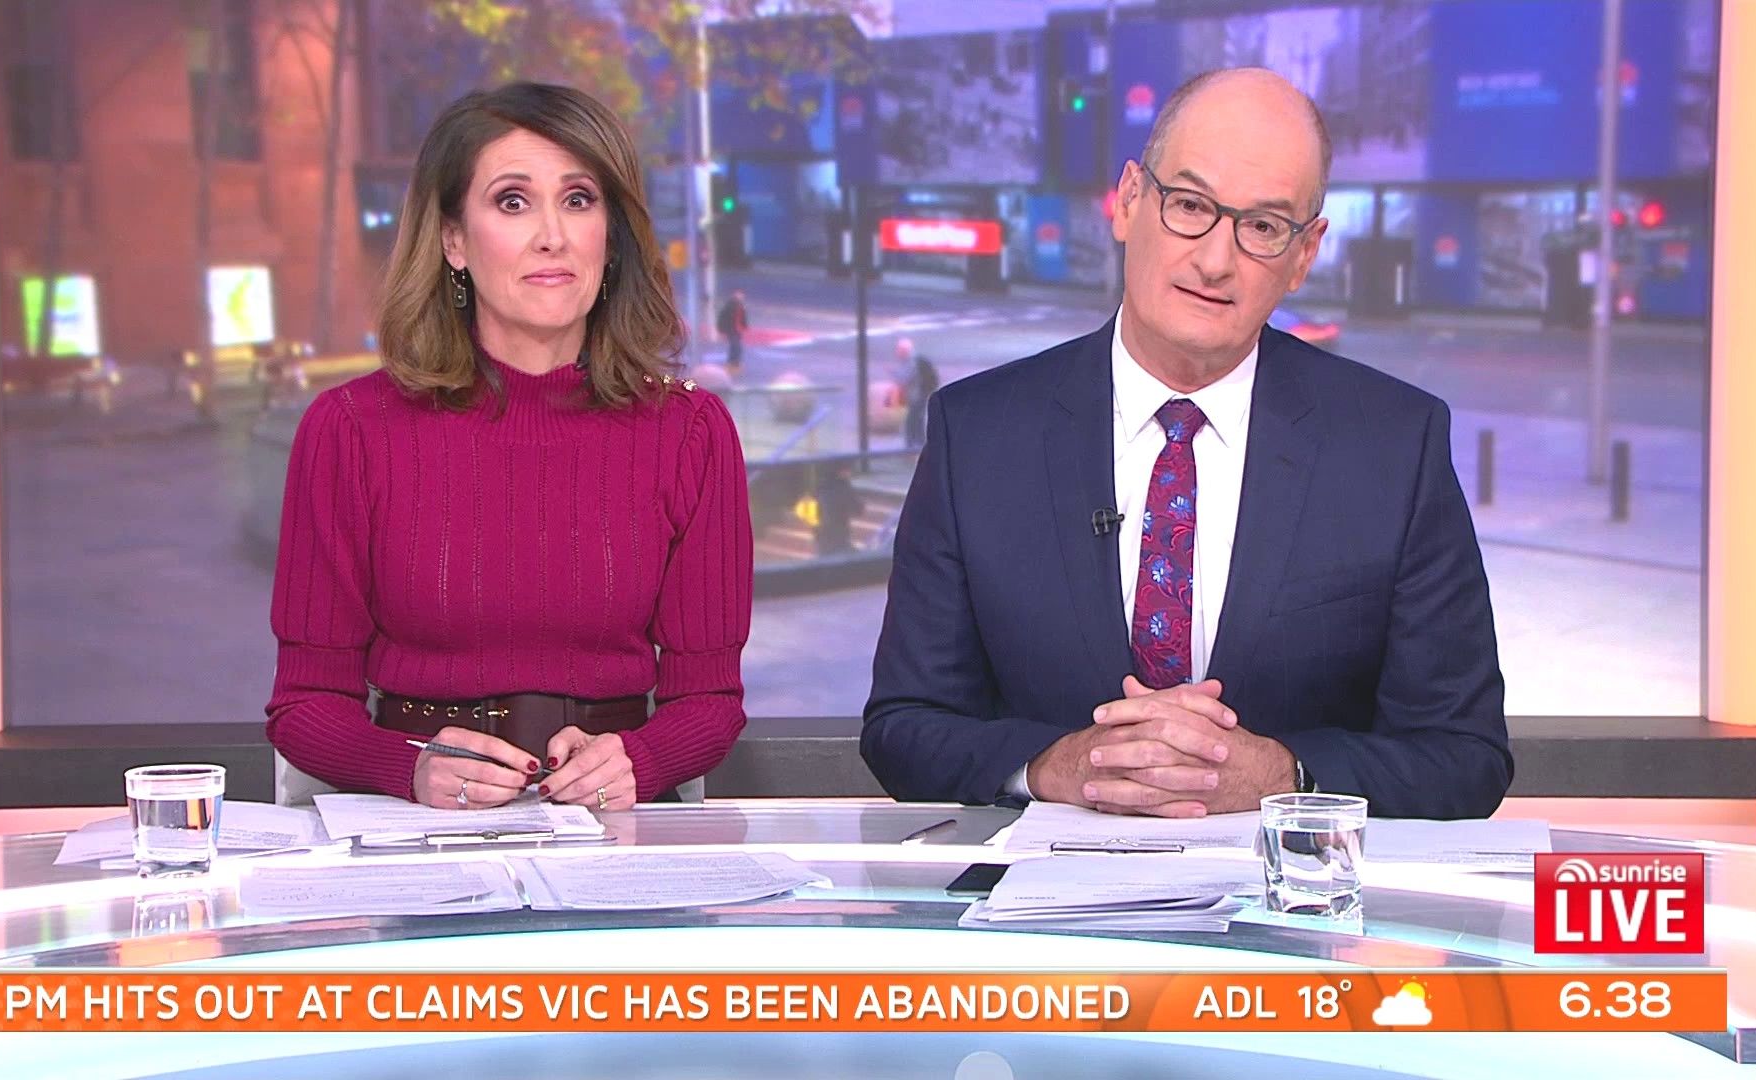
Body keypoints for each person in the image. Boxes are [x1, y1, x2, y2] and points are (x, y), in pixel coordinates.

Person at [861, 68, 1510, 821]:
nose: (1215, 260)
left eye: (1263, 227)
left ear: (1305, 255)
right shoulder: (976, 433)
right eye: (1191, 206)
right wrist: (1055, 767)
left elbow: (1465, 756)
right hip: (1041, 886)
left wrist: (1287, 775)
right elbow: (904, 728)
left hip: (1290, 887)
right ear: (1129, 201)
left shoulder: (1395, 445)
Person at [266, 83, 753, 812]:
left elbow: (709, 701)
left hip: (608, 822)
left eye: (579, 200)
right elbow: (305, 704)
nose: (552, 235)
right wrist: (408, 769)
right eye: (513, 201)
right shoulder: (350, 429)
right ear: (453, 240)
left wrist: (640, 760)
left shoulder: (690, 432)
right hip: (414, 823)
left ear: (611, 235)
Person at [717, 289, 748, 373]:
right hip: (732, 329)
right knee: (735, 346)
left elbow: (743, 317)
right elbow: (723, 317)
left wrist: (745, 326)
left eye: (742, 296)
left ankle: (735, 363)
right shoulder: (730, 305)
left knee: (736, 347)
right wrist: (721, 329)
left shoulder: (741, 305)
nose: (741, 297)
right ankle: (732, 363)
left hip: (738, 329)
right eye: (739, 295)